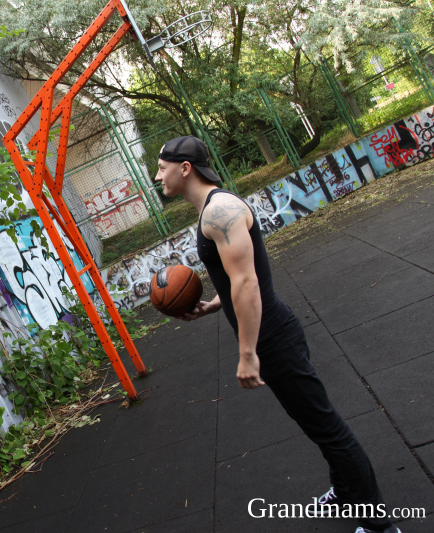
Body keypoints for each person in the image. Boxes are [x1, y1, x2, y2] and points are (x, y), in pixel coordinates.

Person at [154, 136, 399, 533]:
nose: (157, 175)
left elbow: (248, 282)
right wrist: (217, 304)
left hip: (272, 338)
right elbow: (236, 278)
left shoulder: (221, 211)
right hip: (269, 333)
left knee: (329, 428)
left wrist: (247, 353)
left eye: (162, 167)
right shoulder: (213, 211)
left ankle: (380, 526)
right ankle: (344, 490)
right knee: (315, 424)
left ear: (185, 168)